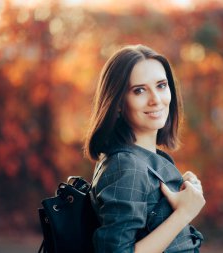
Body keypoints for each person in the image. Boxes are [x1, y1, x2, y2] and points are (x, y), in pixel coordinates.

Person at [84, 44, 205, 253]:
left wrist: (184, 191)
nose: (156, 100)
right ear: (118, 103)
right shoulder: (126, 167)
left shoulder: (146, 159)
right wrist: (184, 213)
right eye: (139, 90)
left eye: (161, 85)